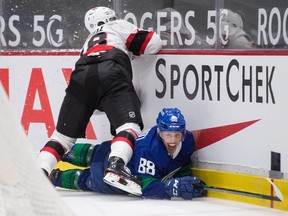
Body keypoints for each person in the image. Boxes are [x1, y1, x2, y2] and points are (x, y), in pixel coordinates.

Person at [38, 6, 162, 196]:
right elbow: (153, 43)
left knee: (61, 138)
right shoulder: (116, 25)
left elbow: (95, 106)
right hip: (111, 71)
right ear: (108, 18)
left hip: (80, 76)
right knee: (129, 127)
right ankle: (116, 166)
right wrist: (132, 53)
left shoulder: (86, 44)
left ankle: (38, 174)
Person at [49, 108, 207, 200]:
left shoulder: (188, 142)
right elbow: (146, 187)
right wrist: (173, 188)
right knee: (88, 170)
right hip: (115, 175)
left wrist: (183, 178)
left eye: (177, 135)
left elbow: (181, 164)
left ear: (183, 133)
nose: (173, 140)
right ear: (160, 133)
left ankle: (53, 177)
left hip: (117, 162)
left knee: (88, 168)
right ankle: (55, 155)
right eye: (168, 135)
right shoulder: (149, 150)